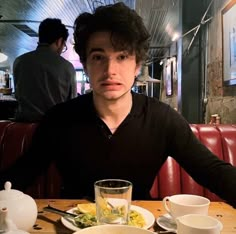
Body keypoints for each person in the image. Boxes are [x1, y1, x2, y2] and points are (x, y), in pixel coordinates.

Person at [1, 3, 236, 207]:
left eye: (122, 56)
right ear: (85, 64)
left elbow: (212, 171)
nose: (110, 70)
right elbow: (21, 173)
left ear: (137, 66)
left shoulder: (162, 119)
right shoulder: (59, 119)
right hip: (72, 222)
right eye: (98, 57)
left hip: (141, 221)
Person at [13, 18, 77, 122]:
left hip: (22, 129)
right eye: (63, 45)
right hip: (54, 129)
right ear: (59, 41)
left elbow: (17, 95)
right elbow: (73, 105)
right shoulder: (67, 67)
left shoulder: (19, 62)